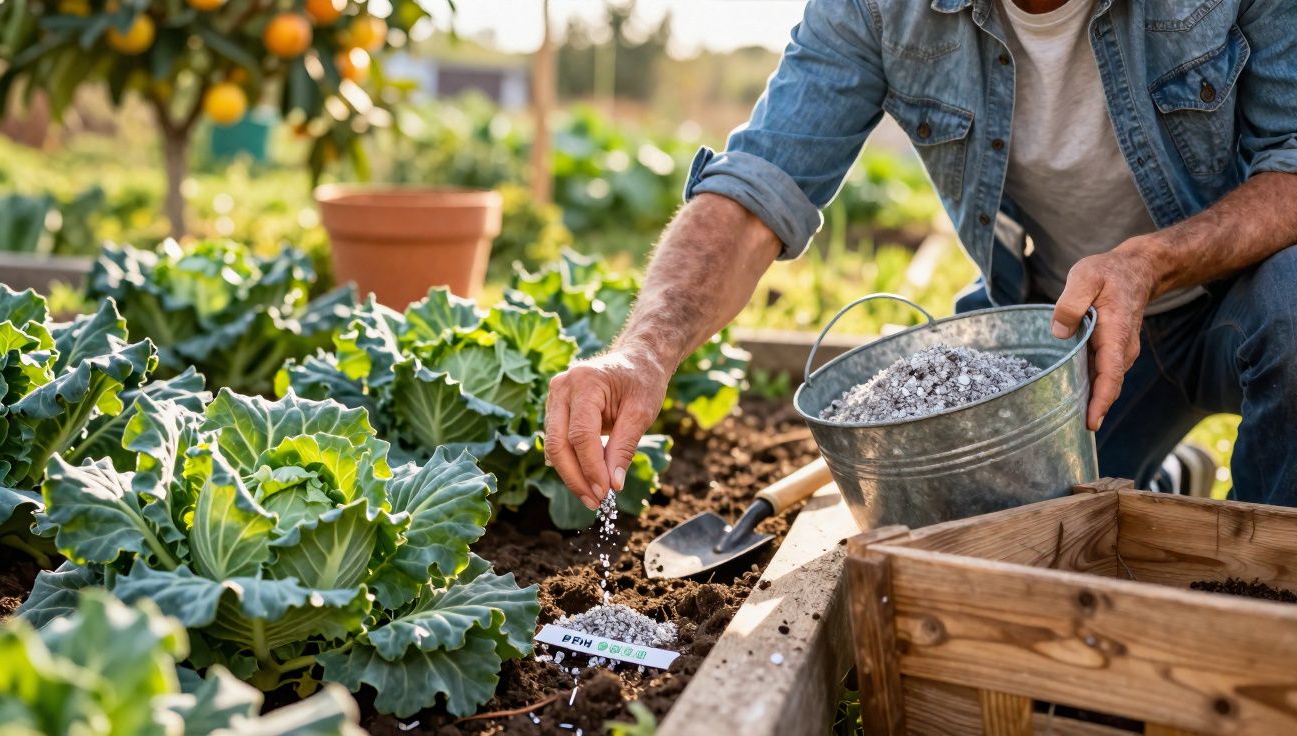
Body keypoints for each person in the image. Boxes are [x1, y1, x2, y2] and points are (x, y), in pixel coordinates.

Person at [543, 0, 1297, 511]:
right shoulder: (878, 10)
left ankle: (1262, 607)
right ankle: (1157, 478)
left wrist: (1151, 261)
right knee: (983, 537)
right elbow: (760, 186)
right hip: (1061, 331)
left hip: (1235, 298)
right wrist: (642, 352)